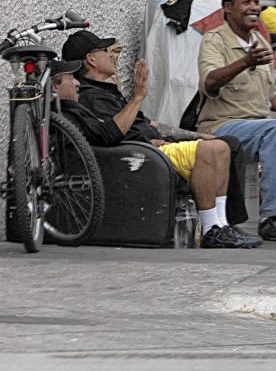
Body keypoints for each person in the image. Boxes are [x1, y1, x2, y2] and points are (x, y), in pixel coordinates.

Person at [57, 37, 260, 249]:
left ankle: (221, 224)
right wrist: (138, 99)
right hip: (143, 153)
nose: (111, 56)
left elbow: (147, 122)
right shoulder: (91, 96)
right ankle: (211, 228)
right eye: (106, 51)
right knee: (209, 150)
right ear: (91, 59)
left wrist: (195, 135)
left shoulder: (106, 91)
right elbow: (112, 134)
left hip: (152, 145)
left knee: (223, 146)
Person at [196, 0, 276, 243]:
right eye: (246, 2)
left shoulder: (260, 41)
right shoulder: (215, 40)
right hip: (222, 127)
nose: (254, 7)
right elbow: (210, 82)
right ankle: (272, 217)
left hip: (261, 128)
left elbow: (271, 99)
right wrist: (244, 62)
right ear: (228, 8)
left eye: (256, 2)